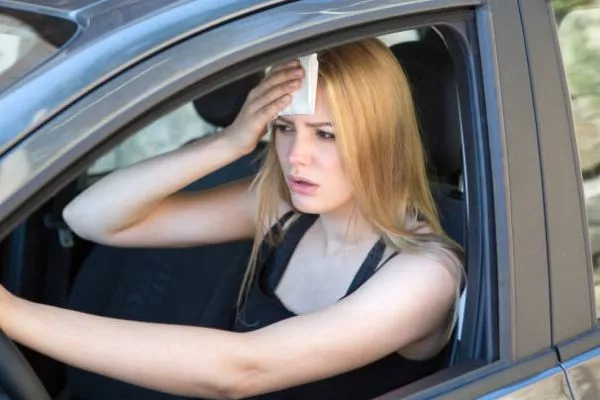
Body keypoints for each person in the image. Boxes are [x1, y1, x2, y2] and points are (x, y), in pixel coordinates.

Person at [0, 38, 464, 399]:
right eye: (285, 128)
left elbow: (240, 370)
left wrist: (13, 314)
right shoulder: (284, 212)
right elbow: (91, 219)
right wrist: (229, 143)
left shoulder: (423, 273)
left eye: (326, 135)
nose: (297, 157)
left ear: (384, 139)